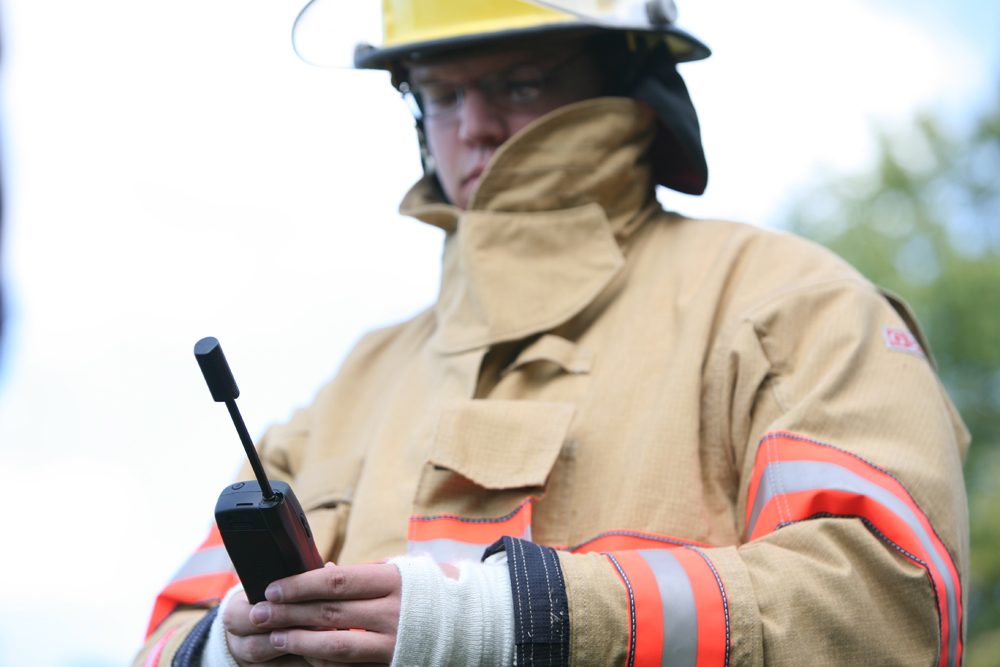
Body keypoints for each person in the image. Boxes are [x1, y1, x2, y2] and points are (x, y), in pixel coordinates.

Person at [133, 1, 970, 666]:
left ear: (628, 83)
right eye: (441, 92)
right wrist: (232, 649)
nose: (475, 127)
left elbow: (886, 608)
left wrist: (508, 623)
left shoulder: (790, 305)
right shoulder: (352, 385)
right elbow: (162, 642)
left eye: (523, 81)